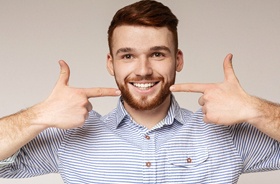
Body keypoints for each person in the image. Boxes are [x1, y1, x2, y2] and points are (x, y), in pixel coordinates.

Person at [0, 0, 280, 183]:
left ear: (178, 60)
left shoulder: (224, 135)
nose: (143, 70)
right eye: (127, 56)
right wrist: (38, 115)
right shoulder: (70, 139)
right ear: (111, 63)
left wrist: (255, 109)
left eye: (157, 54)